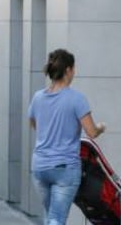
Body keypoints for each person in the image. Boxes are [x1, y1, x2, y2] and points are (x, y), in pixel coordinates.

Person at [28, 48, 106, 225]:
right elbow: (92, 132)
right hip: (65, 168)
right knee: (56, 219)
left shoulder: (38, 97)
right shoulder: (76, 98)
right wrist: (101, 127)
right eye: (74, 68)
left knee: (51, 216)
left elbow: (34, 124)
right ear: (69, 70)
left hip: (40, 167)